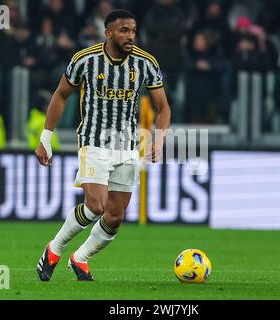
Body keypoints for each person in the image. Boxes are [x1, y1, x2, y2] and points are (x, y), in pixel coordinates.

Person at [35, 9, 171, 281]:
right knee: (96, 206)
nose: (130, 36)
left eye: (133, 30)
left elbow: (163, 107)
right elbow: (61, 95)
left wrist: (159, 138)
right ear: (108, 32)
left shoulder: (146, 63)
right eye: (124, 30)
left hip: (127, 146)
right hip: (93, 142)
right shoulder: (85, 60)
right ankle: (54, 249)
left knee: (115, 216)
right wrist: (45, 139)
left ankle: (81, 258)